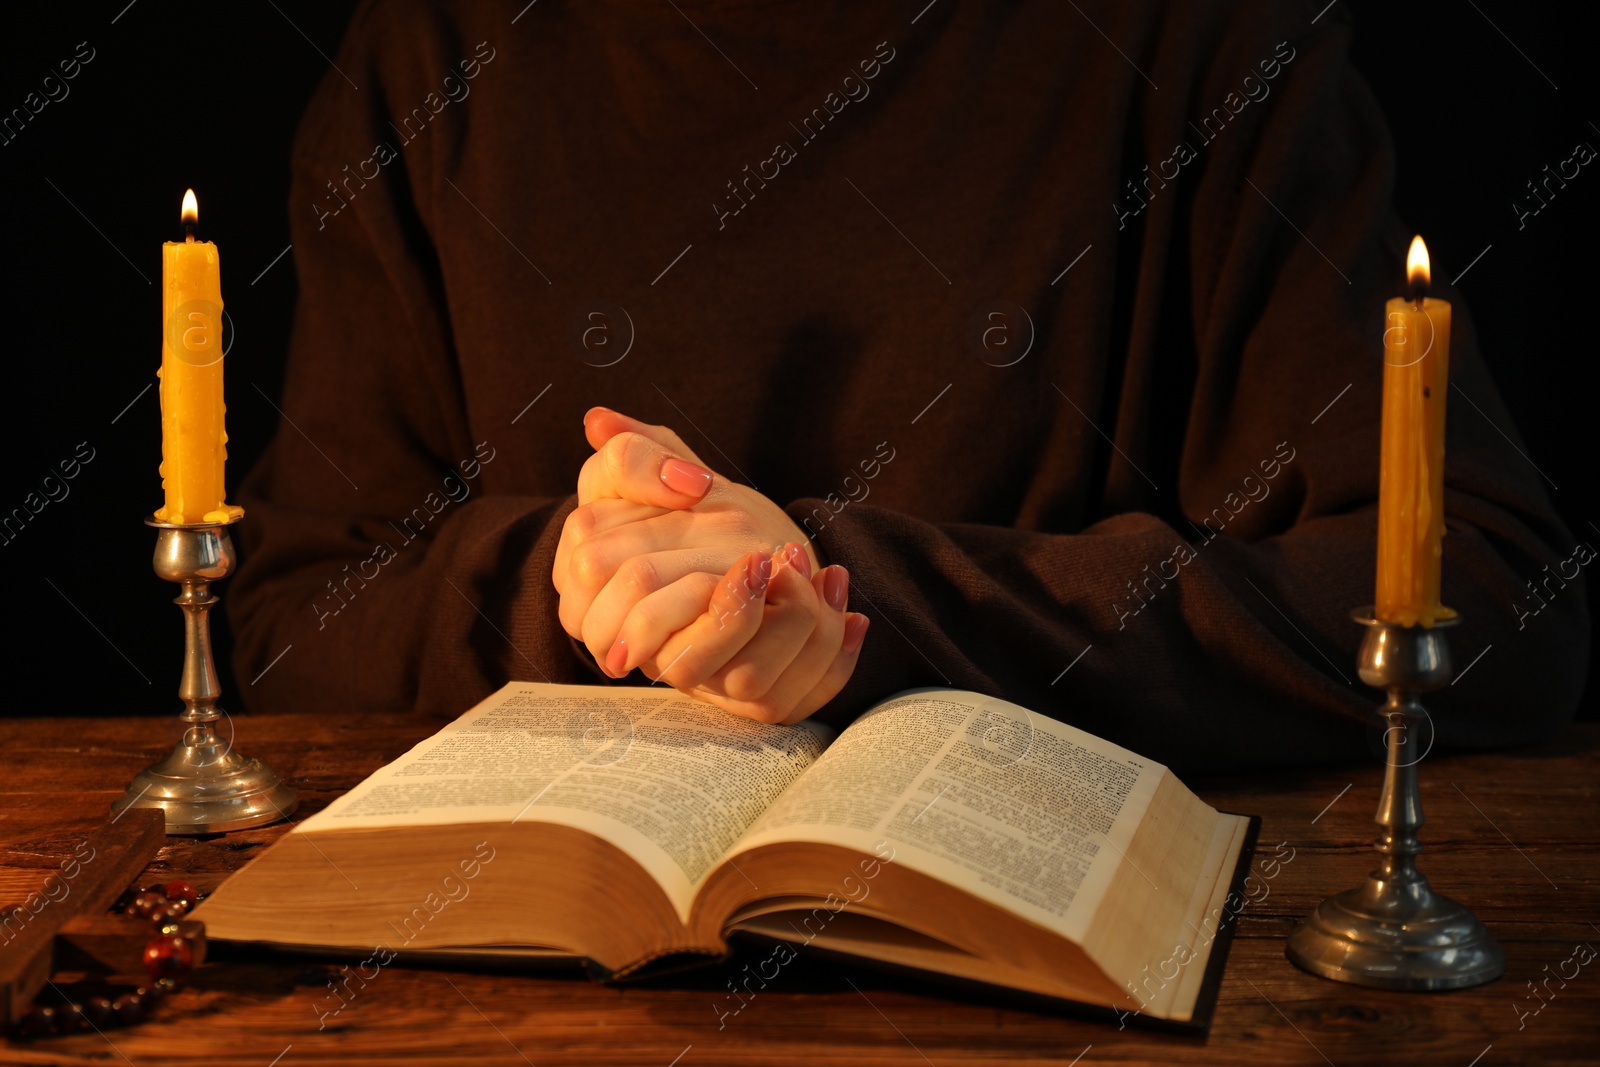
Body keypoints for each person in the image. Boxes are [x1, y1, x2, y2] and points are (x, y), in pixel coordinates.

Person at [230, 0, 1587, 772]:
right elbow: (290, 617)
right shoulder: (435, 50)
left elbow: (1490, 596)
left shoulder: (1205, 42)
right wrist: (596, 585)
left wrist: (846, 592)